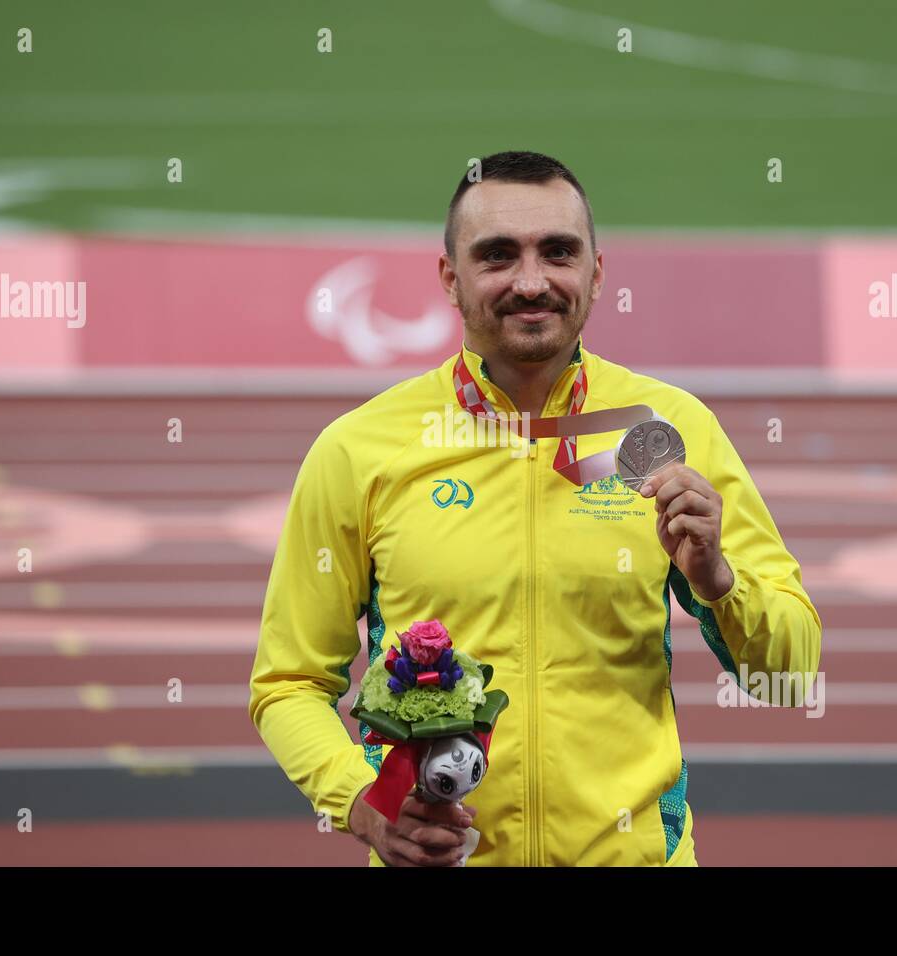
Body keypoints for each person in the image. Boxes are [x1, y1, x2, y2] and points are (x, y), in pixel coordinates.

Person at [248, 151, 821, 866]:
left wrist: (717, 581)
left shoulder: (669, 430)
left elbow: (794, 673)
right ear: (450, 279)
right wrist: (362, 806)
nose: (531, 281)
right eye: (497, 256)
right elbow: (289, 683)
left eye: (558, 252)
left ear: (596, 273)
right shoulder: (359, 450)